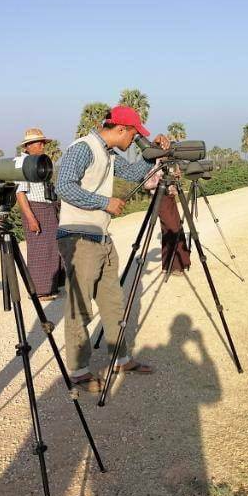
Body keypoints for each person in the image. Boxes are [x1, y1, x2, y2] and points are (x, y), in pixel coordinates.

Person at [55, 105, 171, 392]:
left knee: (112, 302)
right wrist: (104, 203)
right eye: (134, 134)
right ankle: (79, 371)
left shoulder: (106, 153)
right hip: (79, 237)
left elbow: (133, 173)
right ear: (121, 129)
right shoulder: (84, 148)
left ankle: (120, 358)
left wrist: (153, 153)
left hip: (101, 236)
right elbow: (63, 186)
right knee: (79, 307)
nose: (134, 139)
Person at [16, 127, 64, 301]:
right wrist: (31, 218)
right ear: (27, 146)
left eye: (42, 142)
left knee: (52, 247)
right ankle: (40, 290)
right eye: (37, 142)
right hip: (35, 209)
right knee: (39, 250)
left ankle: (52, 286)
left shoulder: (39, 162)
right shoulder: (24, 164)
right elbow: (20, 193)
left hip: (47, 207)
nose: (41, 145)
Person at [143, 161, 191, 275]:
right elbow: (146, 184)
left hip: (170, 198)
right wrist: (162, 180)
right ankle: (175, 266)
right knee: (173, 230)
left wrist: (175, 177)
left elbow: (175, 181)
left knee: (173, 230)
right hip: (160, 199)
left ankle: (173, 265)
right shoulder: (153, 164)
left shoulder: (171, 163)